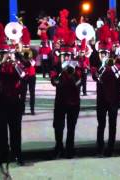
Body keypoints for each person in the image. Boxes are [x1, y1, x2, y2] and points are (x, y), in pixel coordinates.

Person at [0, 22, 26, 166]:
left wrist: (15, 64)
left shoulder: (13, 65)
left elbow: (23, 75)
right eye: (2, 54)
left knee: (16, 131)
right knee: (2, 132)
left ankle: (17, 154)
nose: (5, 56)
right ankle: (3, 155)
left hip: (14, 102)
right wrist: (0, 63)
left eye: (6, 54)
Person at [51, 9, 81, 159]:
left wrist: (72, 72)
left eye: (68, 55)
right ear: (60, 56)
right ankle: (58, 146)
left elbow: (79, 82)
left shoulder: (76, 66)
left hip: (74, 102)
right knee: (58, 126)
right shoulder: (57, 66)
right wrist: (61, 73)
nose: (66, 57)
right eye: (64, 56)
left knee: (71, 127)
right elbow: (53, 81)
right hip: (60, 101)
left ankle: (70, 148)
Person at [91, 24, 120, 157]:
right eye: (101, 54)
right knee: (101, 124)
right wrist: (103, 67)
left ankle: (110, 147)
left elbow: (119, 76)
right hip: (101, 99)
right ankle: (99, 147)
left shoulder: (116, 64)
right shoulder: (97, 67)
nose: (103, 56)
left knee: (113, 125)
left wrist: (113, 65)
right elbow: (95, 77)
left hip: (113, 99)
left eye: (106, 53)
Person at [20, 26, 36, 115]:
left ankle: (32, 109)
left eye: (27, 46)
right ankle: (22, 110)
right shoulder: (20, 53)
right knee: (23, 94)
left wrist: (30, 59)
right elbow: (20, 64)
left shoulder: (32, 52)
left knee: (32, 93)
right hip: (24, 76)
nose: (25, 47)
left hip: (32, 75)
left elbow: (33, 62)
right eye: (24, 46)